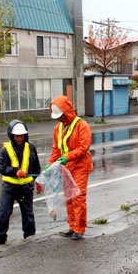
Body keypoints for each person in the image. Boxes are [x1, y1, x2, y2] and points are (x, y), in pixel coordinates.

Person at [46, 95, 93, 240]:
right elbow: (56, 149)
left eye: (61, 116)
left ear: (67, 111)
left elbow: (83, 147)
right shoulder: (58, 128)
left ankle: (79, 229)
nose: (59, 119)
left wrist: (68, 157)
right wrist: (49, 164)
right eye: (58, 117)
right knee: (69, 199)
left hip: (80, 166)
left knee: (78, 198)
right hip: (66, 169)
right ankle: (72, 227)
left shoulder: (81, 126)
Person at [0, 120, 42, 245]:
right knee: (3, 211)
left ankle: (29, 236)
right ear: (11, 136)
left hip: (26, 186)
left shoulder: (31, 147)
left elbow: (36, 167)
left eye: (22, 136)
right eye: (17, 136)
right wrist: (15, 171)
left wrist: (38, 181)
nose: (19, 139)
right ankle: (0, 237)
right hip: (10, 186)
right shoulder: (6, 149)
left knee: (28, 213)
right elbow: (1, 167)